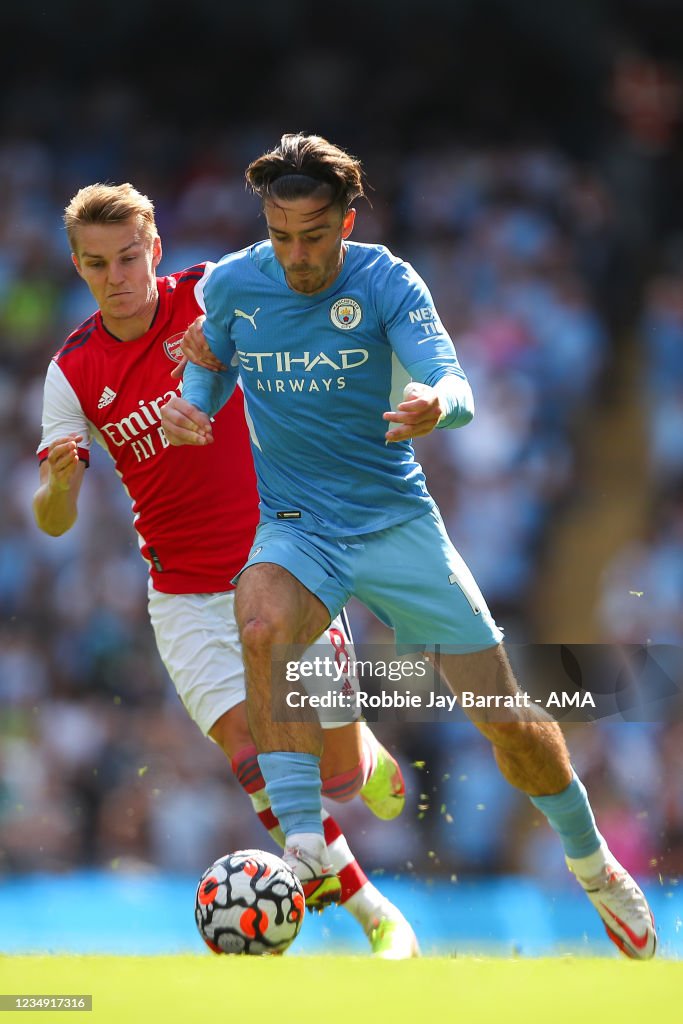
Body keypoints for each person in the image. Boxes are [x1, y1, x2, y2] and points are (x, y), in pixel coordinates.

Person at [161, 132, 657, 960]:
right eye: (281, 236)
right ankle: (305, 844)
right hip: (296, 527)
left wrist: (437, 404)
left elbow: (450, 378)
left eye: (313, 236)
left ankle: (594, 863)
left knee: (510, 724)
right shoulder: (236, 282)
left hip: (395, 524)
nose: (295, 255)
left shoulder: (387, 279)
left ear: (346, 221)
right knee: (260, 620)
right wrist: (192, 406)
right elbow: (209, 364)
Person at [32, 182, 418, 959]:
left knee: (337, 776)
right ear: (78, 267)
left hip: (282, 561)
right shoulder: (71, 373)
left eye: (130, 257)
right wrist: (61, 485)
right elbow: (52, 521)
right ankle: (377, 917)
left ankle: (361, 755)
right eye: (99, 263)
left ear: (155, 252)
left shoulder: (216, 291)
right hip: (183, 593)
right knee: (253, 757)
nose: (117, 276)